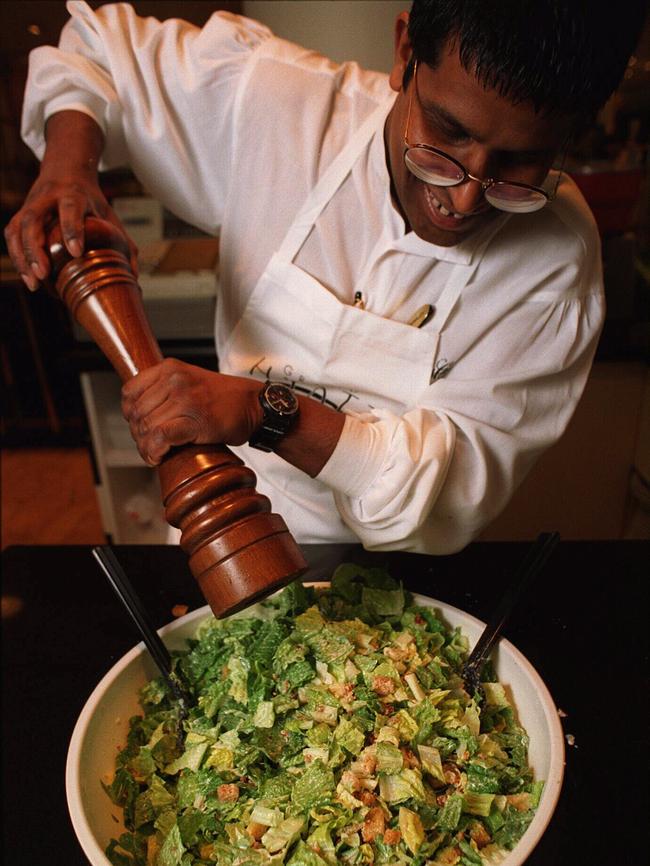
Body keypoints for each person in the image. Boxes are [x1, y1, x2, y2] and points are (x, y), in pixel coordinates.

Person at [6, 0, 646, 552]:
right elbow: (99, 50)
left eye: (519, 165)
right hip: (223, 522)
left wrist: (266, 410)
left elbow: (449, 490)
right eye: (445, 133)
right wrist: (67, 166)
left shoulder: (555, 259)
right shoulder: (281, 108)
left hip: (403, 570)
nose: (465, 197)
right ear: (404, 54)